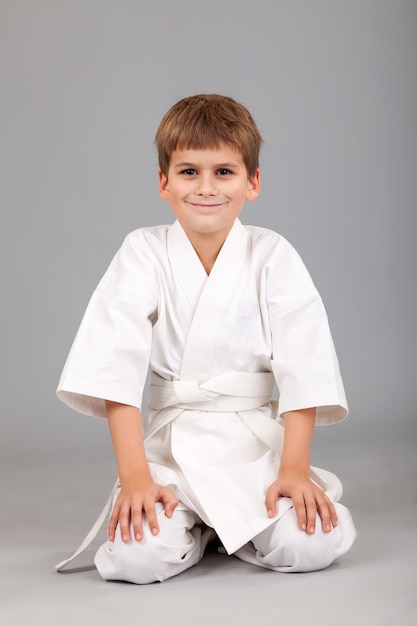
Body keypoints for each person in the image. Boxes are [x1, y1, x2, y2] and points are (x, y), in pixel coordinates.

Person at [56, 94, 356, 583]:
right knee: (136, 559)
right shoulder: (143, 251)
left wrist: (295, 469)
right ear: (164, 182)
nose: (206, 187)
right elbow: (112, 366)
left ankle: (229, 525)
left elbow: (306, 368)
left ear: (252, 182)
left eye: (224, 171)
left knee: (311, 543)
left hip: (255, 448)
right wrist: (135, 478)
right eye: (189, 171)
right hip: (170, 450)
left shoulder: (272, 254)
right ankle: (193, 526)